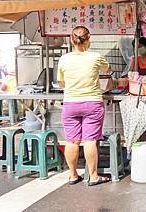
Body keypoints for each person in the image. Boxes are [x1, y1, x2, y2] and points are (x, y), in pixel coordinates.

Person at [57, 26, 112, 186]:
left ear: (71, 40)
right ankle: (93, 176)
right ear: (89, 39)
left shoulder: (64, 59)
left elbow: (61, 83)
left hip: (70, 103)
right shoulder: (95, 57)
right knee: (89, 141)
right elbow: (108, 69)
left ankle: (73, 175)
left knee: (72, 141)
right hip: (92, 103)